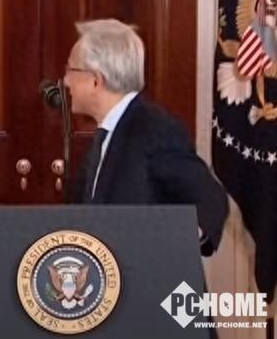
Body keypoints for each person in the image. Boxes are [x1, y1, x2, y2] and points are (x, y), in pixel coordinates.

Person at [64, 19, 228, 256]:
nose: (66, 81)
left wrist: (164, 249)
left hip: (147, 277)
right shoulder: (106, 133)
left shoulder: (155, 130)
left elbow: (211, 200)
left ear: (95, 80)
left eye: (70, 70)